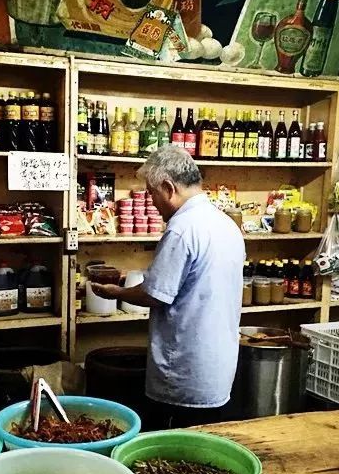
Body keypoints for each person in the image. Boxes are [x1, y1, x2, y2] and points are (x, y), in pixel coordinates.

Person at [92, 145, 245, 429]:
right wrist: (129, 274)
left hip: (184, 369)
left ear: (168, 187)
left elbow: (156, 294)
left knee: (172, 450)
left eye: (152, 192)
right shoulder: (225, 223)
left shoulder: (181, 228)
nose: (151, 201)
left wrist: (119, 293)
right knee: (206, 446)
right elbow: (193, 280)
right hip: (218, 365)